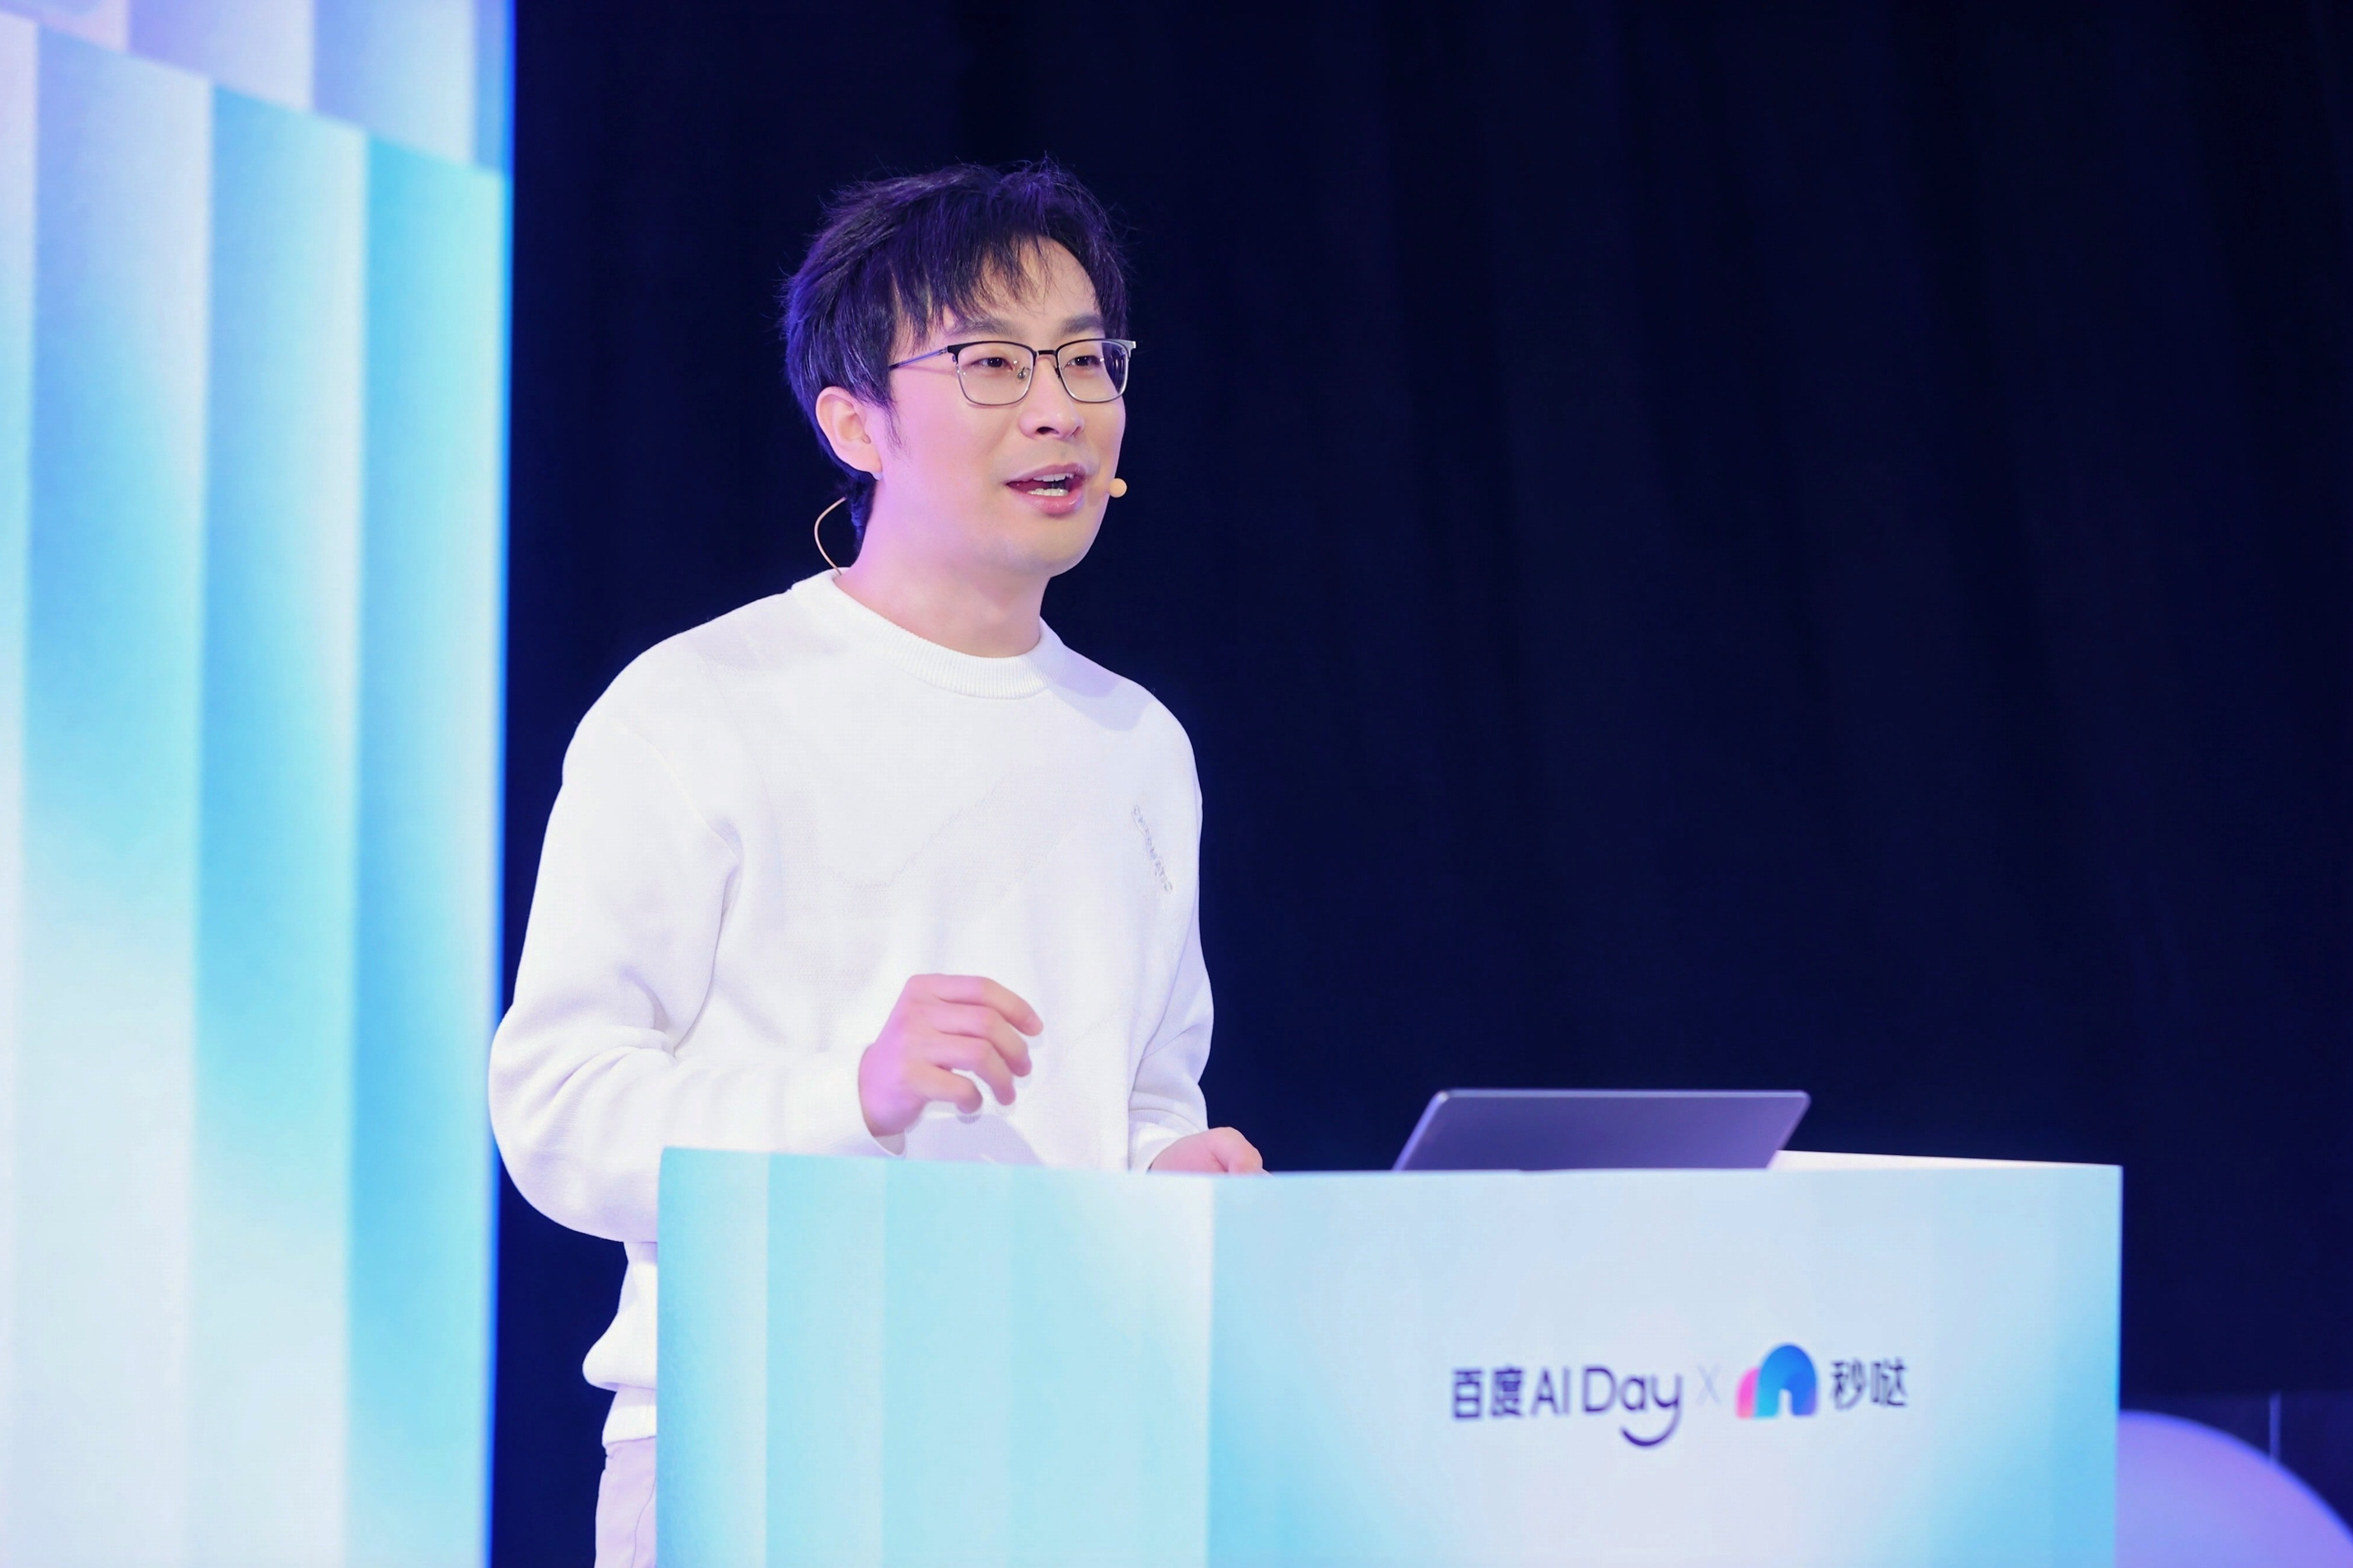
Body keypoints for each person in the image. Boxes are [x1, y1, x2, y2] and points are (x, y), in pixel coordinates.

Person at [488, 161, 1261, 1567]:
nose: (1058, 406)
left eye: (1086, 358)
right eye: (991, 362)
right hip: (775, 1434)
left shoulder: (1137, 744)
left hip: (1080, 1436)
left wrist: (1176, 1168)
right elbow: (555, 1110)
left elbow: (1144, 1096)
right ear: (853, 423)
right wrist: (853, 1092)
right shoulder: (699, 705)